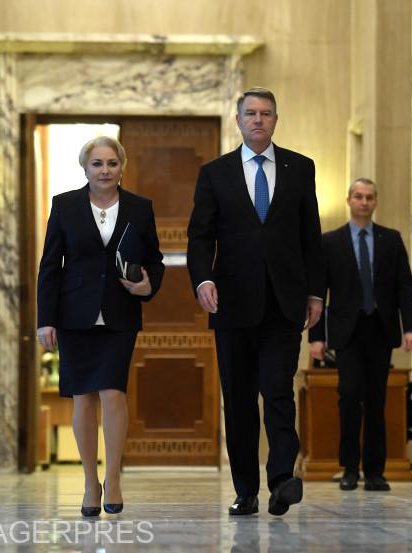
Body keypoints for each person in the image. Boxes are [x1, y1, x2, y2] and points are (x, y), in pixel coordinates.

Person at [186, 87, 325, 516]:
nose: (258, 120)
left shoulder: (301, 167)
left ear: (276, 120)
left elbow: (310, 235)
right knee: (240, 399)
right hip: (232, 304)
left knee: (279, 391)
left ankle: (282, 480)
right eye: (251, 113)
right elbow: (199, 236)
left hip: (284, 303)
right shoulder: (215, 173)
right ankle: (245, 490)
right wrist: (202, 279)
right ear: (239, 120)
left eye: (266, 113)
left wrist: (315, 292)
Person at [36, 136, 165, 517]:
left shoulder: (140, 207)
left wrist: (148, 285)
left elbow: (155, 260)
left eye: (112, 163)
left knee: (112, 391)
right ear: (85, 168)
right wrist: (45, 320)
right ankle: (90, 482)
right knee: (83, 397)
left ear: (122, 166)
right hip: (74, 314)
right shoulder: (64, 205)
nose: (105, 170)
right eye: (97, 164)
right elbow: (50, 267)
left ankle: (113, 476)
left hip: (120, 312)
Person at [309, 178, 412, 492]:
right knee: (348, 397)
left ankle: (375, 472)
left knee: (376, 400)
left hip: (380, 329)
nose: (364, 202)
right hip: (346, 331)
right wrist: (316, 337)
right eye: (358, 196)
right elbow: (318, 291)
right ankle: (348, 468)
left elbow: (405, 286)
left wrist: (411, 327)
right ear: (349, 200)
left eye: (369, 197)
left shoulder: (391, 239)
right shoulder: (330, 241)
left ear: (375, 202)